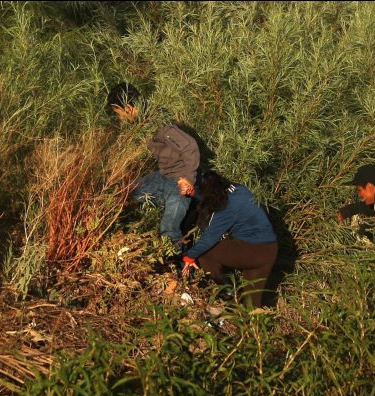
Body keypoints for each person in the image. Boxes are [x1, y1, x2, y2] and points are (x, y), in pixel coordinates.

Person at [107, 82, 201, 245]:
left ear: (128, 108)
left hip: (179, 181)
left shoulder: (159, 122)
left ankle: (179, 265)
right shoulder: (144, 121)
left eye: (119, 113)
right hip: (163, 176)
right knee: (124, 191)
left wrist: (188, 179)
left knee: (168, 230)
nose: (120, 118)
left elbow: (190, 146)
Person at [181, 170, 278, 308]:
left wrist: (189, 256)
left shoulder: (225, 207)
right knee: (251, 305)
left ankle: (225, 292)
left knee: (205, 252)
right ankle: (251, 325)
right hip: (270, 251)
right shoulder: (240, 189)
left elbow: (209, 238)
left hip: (252, 249)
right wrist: (195, 193)